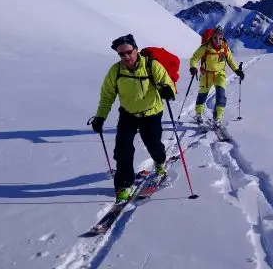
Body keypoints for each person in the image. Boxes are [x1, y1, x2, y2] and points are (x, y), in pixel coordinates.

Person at [88, 34, 176, 202]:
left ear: (136, 49)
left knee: (153, 144)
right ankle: (124, 184)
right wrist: (100, 117)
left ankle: (160, 162)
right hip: (128, 114)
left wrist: (167, 90)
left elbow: (167, 82)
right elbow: (107, 96)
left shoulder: (152, 66)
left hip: (151, 113)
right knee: (122, 150)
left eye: (129, 52)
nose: (126, 56)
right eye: (122, 54)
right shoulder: (115, 71)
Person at [189, 25, 244, 126]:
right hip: (206, 75)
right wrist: (193, 67)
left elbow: (230, 60)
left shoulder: (225, 47)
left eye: (220, 38)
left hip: (220, 74)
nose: (218, 40)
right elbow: (194, 58)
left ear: (222, 38)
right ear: (212, 37)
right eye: (215, 37)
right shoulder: (205, 47)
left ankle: (218, 118)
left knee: (221, 95)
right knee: (202, 96)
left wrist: (237, 70)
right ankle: (198, 114)